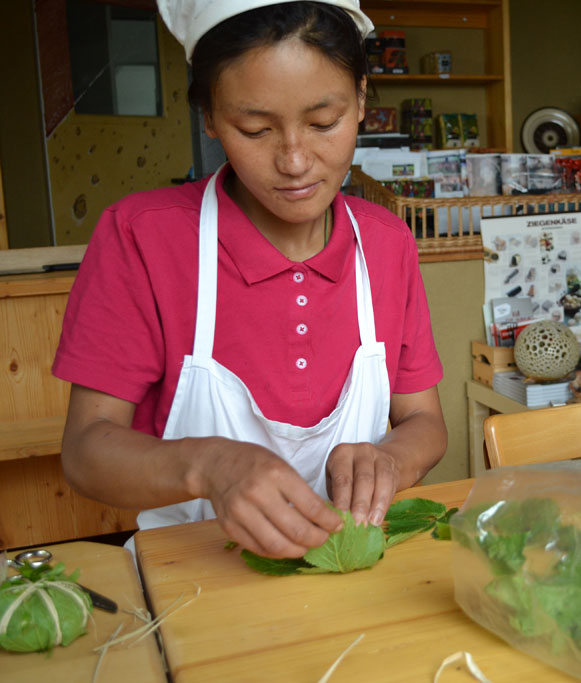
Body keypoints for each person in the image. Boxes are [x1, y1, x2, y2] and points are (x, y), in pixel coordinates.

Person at [52, 0, 447, 559]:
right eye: (255, 129)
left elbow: (424, 420)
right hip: (192, 581)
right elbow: (86, 451)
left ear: (361, 99)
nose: (294, 160)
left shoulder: (385, 243)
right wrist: (209, 465)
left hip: (351, 578)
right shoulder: (143, 237)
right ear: (210, 117)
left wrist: (391, 459)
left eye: (323, 123)